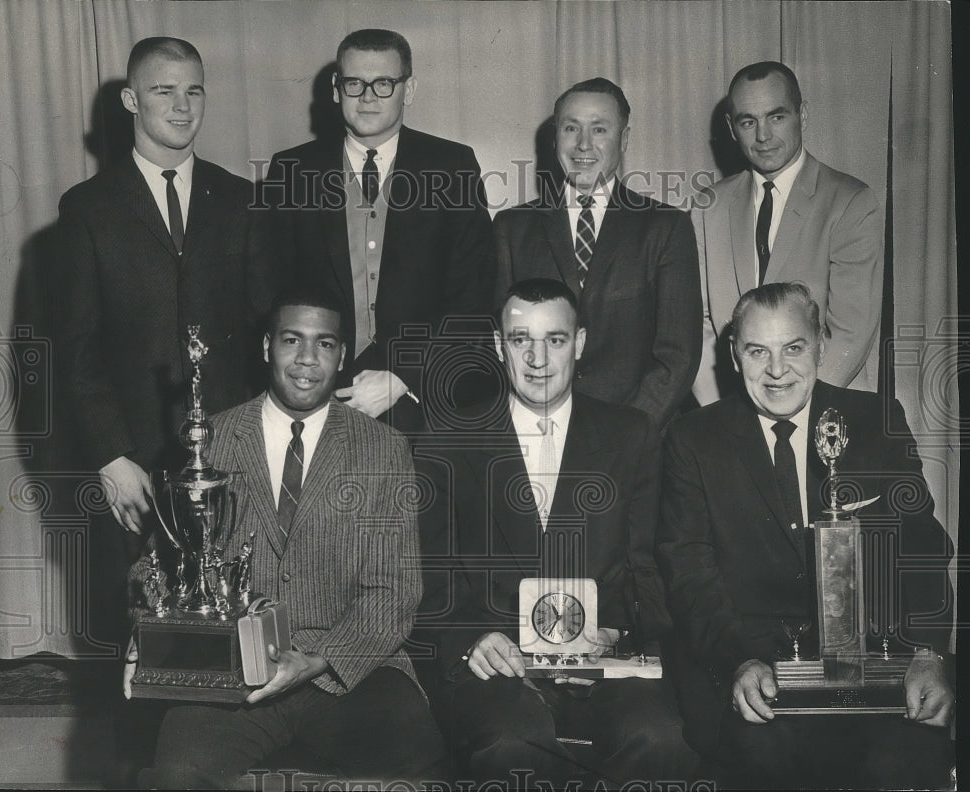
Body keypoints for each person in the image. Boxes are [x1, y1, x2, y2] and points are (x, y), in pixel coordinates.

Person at [124, 288, 450, 788]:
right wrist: (146, 636)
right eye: (291, 340)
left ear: (342, 356)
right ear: (265, 347)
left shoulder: (383, 448)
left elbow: (394, 593)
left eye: (324, 345)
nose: (306, 360)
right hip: (232, 676)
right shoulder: (209, 440)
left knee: (418, 765)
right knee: (175, 776)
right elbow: (158, 566)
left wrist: (317, 661)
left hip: (351, 668)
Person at [659, 283, 954, 789]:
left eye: (793, 348)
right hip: (753, 671)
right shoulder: (693, 440)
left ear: (820, 343)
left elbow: (923, 550)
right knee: (764, 764)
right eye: (758, 351)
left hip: (874, 668)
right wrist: (739, 661)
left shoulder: (874, 421)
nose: (777, 371)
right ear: (733, 356)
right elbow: (689, 573)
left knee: (905, 762)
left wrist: (927, 655)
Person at [416, 279, 696, 787]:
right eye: (521, 340)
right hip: (495, 665)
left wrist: (615, 633)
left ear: (581, 343)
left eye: (556, 340)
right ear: (500, 348)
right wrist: (472, 639)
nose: (538, 358)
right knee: (510, 744)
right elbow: (428, 575)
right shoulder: (449, 438)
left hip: (603, 658)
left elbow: (649, 572)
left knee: (658, 739)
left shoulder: (630, 435)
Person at [56, 37, 273, 653]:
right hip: (136, 464)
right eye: (163, 91)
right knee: (144, 635)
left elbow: (266, 331)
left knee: (234, 625)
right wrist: (110, 455)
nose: (182, 107)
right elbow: (74, 346)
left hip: (231, 456)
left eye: (194, 90)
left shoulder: (241, 199)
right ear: (130, 100)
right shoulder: (87, 209)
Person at [262, 28, 496, 434]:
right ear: (336, 90)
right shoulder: (292, 170)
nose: (367, 97)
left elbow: (474, 294)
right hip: (318, 399)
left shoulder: (452, 167)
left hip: (425, 402)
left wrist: (404, 375)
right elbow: (271, 289)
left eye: (383, 83)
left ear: (409, 89)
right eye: (354, 83)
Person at [493, 78, 701, 429]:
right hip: (538, 433)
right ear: (555, 137)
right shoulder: (512, 227)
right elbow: (497, 344)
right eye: (571, 128)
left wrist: (625, 436)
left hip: (636, 439)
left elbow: (677, 357)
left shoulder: (666, 228)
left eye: (599, 129)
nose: (583, 144)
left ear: (625, 139)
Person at [692, 61, 883, 404]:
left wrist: (786, 411)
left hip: (823, 406)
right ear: (731, 128)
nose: (763, 136)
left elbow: (850, 335)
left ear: (802, 115)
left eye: (776, 117)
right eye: (748, 121)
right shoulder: (709, 205)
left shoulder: (850, 201)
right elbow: (701, 325)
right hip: (730, 416)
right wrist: (721, 415)